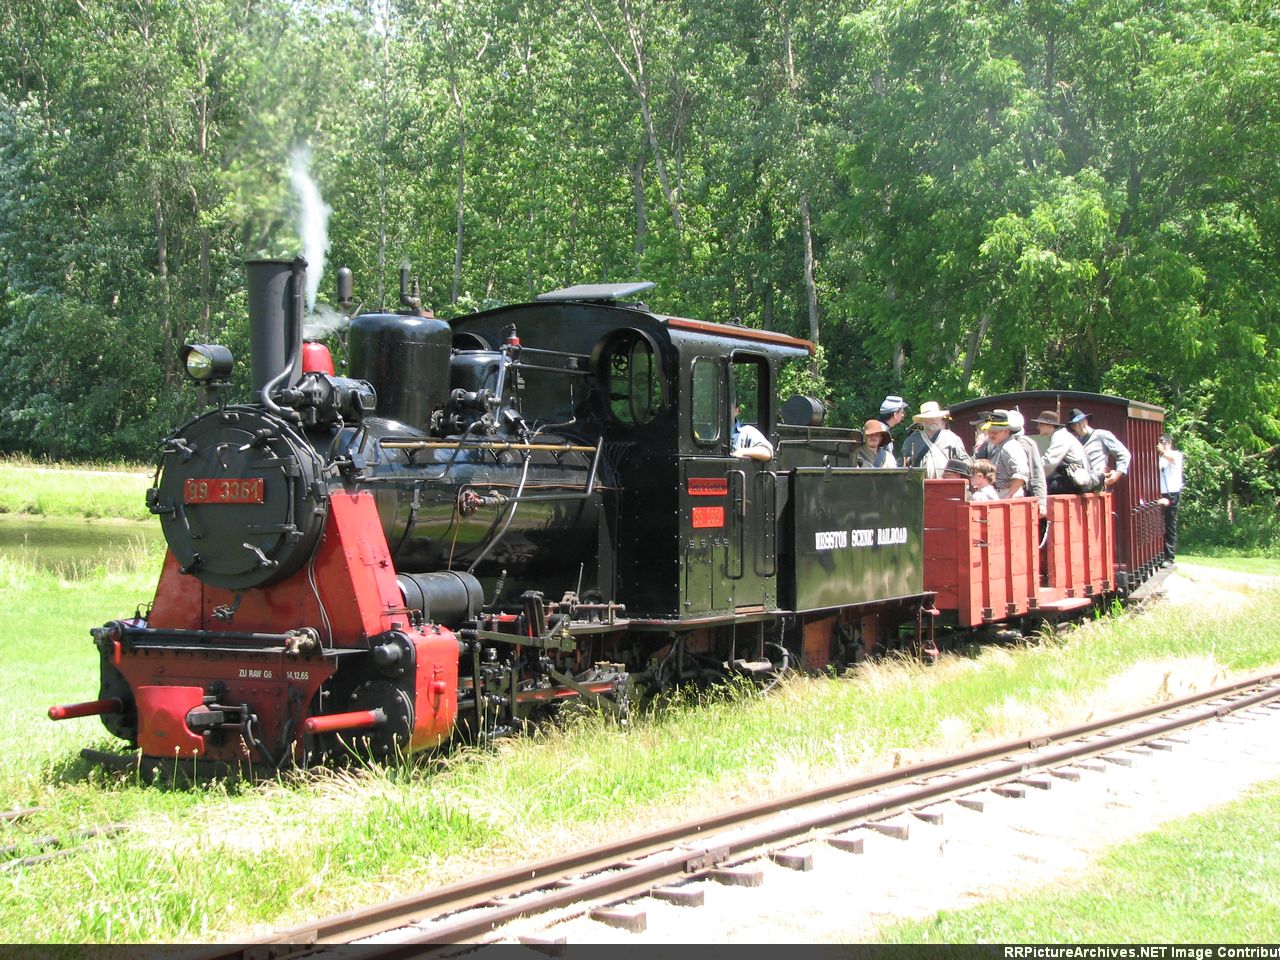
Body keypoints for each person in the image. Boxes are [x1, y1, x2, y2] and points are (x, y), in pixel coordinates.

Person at [900, 401, 970, 478]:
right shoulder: (911, 440)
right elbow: (901, 464)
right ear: (923, 420)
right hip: (920, 485)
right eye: (930, 418)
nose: (934, 420)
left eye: (936, 417)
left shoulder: (951, 438)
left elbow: (966, 461)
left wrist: (955, 472)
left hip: (947, 484)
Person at [1033, 410, 1093, 494]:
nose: (1037, 427)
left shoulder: (1060, 437)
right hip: (1075, 479)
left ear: (1050, 425)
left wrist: (1032, 474)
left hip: (1077, 481)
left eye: (1040, 424)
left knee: (1040, 487)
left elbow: (1049, 462)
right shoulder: (1061, 435)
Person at [1068, 408, 1130, 489]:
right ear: (1073, 427)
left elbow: (1124, 454)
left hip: (1097, 485)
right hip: (1080, 483)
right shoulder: (1074, 442)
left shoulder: (1101, 435)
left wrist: (1116, 475)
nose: (1081, 425)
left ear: (1086, 421)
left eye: (1083, 421)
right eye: (1077, 423)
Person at [1007, 410, 1047, 515]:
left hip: (1022, 495)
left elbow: (1036, 473)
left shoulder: (1026, 444)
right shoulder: (991, 443)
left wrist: (1041, 501)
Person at [984, 411, 1029, 499]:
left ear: (1006, 431)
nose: (991, 435)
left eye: (995, 433)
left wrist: (1009, 495)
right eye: (989, 432)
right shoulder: (999, 446)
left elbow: (1022, 472)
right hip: (1002, 493)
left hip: (1009, 494)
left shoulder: (1010, 447)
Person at [1157, 433, 1183, 565]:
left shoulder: (1175, 455)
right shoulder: (1160, 457)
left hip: (1172, 493)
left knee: (1170, 525)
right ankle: (1158, 554)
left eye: (1163, 442)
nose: (1161, 444)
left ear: (1169, 443)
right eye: (1160, 442)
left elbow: (1171, 459)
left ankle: (1169, 557)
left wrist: (1162, 452)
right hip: (1159, 493)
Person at [879, 395, 909, 460]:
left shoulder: (881, 428)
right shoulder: (883, 432)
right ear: (895, 415)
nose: (903, 415)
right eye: (902, 412)